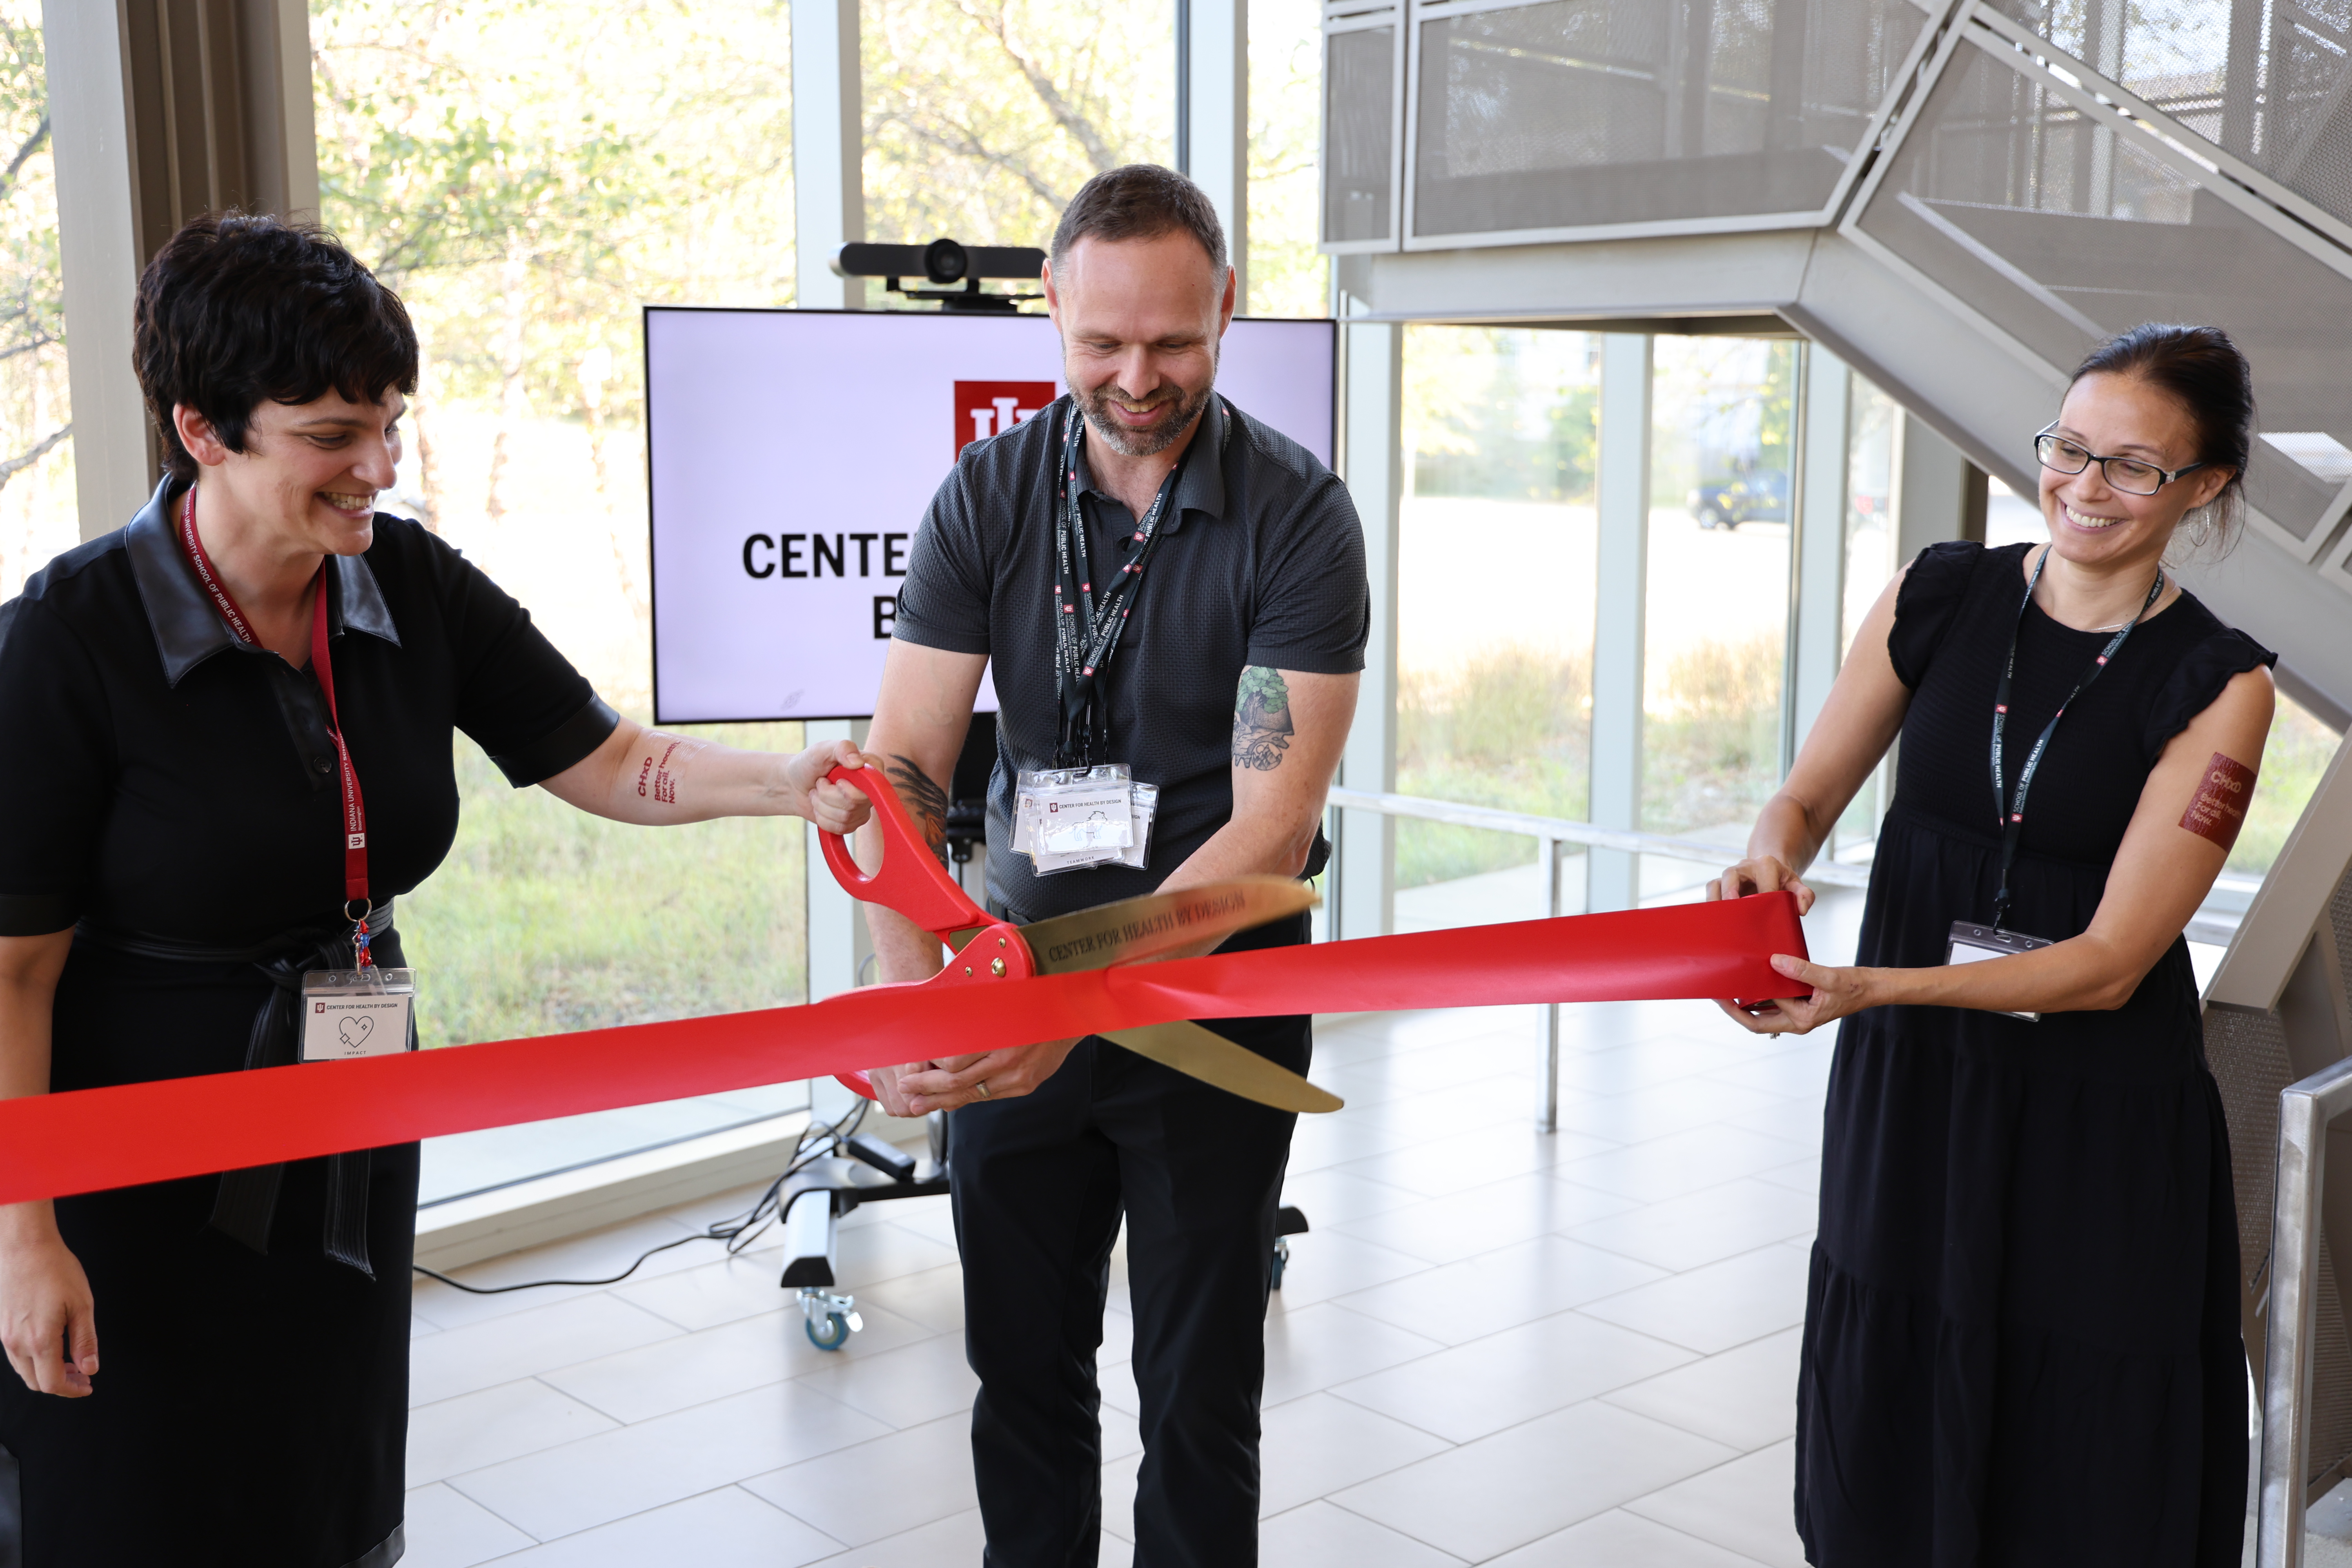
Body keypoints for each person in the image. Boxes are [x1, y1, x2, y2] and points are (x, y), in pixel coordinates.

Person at [0, 213, 870, 1568]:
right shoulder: (65, 643)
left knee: (326, 1476)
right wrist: (23, 1234)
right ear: (203, 429)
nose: (379, 468)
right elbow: (14, 974)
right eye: (334, 434)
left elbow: (610, 758)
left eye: (392, 424)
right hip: (137, 1154)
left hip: (350, 1112)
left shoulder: (402, 580)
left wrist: (790, 785)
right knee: (145, 1493)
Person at [846, 165, 1367, 1566]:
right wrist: (916, 997)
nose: (1138, 377)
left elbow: (1265, 829)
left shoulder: (1299, 519)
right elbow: (899, 767)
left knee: (1199, 1391)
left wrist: (1055, 997)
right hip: (1012, 994)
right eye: (1104, 344)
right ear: (1054, 313)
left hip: (1213, 1003)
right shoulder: (987, 496)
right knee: (1019, 1371)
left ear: (1229, 314)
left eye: (1176, 343)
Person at [1708, 323, 2272, 1566]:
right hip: (1913, 1086)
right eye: (2069, 447)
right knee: (1895, 1407)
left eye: (2133, 467)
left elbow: (2117, 959)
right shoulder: (1940, 593)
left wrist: (1871, 988)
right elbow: (1802, 801)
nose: (2083, 486)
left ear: (2205, 487)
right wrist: (1771, 864)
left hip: (2093, 1110)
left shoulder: (2221, 685)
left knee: (2076, 1454)